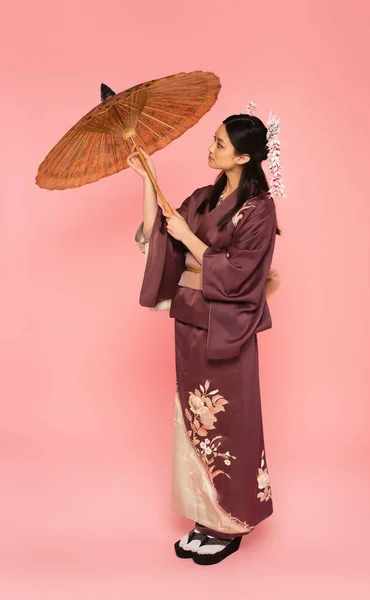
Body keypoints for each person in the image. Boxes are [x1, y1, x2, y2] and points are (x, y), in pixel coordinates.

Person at [129, 112, 281, 566]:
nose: (211, 148)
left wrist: (191, 242)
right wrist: (144, 179)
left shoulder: (259, 209)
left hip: (229, 326)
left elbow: (238, 272)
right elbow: (162, 234)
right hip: (192, 320)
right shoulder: (206, 196)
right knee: (195, 421)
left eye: (219, 143)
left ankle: (232, 521)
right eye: (213, 140)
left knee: (230, 421)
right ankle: (204, 514)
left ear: (244, 155)